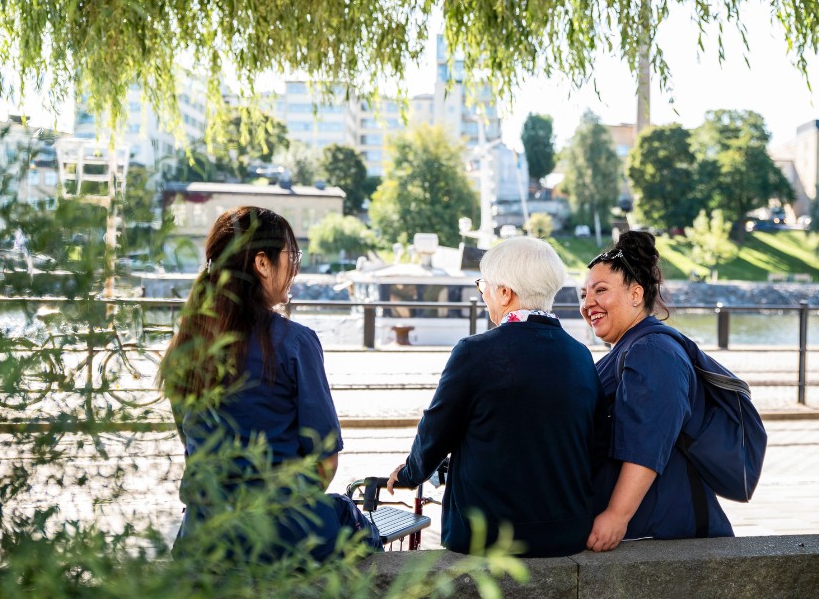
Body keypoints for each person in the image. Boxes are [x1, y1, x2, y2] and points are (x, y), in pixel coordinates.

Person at [159, 206, 380, 562]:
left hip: (206, 534)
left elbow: (197, 448)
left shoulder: (187, 347)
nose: (295, 267)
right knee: (356, 524)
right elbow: (325, 460)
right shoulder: (295, 343)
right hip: (282, 532)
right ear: (262, 263)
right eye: (291, 256)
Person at [387, 236, 603, 557]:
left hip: (486, 535)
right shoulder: (580, 356)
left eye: (484, 286)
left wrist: (409, 474)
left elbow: (436, 431)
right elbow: (593, 442)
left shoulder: (475, 352)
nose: (483, 295)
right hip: (565, 532)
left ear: (505, 292)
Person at [581, 231, 733, 552]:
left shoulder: (652, 350)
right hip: (650, 531)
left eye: (600, 290)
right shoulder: (631, 348)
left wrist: (616, 515)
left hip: (664, 535)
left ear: (636, 294)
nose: (587, 303)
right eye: (584, 294)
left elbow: (648, 443)